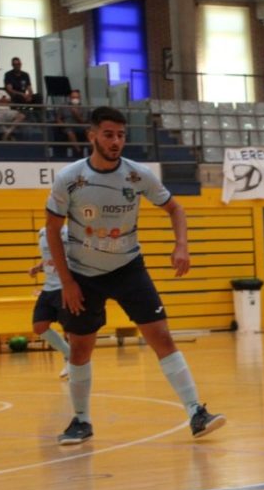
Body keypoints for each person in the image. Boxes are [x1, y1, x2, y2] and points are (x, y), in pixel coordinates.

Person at [45, 106, 226, 445]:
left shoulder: (137, 174)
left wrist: (181, 245)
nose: (116, 141)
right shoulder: (69, 178)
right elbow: (52, 230)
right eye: (109, 134)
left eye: (121, 135)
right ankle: (81, 420)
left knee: (162, 337)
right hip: (82, 274)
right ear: (92, 135)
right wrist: (67, 282)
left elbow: (176, 208)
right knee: (80, 350)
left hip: (128, 267)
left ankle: (195, 412)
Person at [29, 226, 71, 379]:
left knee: (70, 328)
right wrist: (39, 267)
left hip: (65, 286)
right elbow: (49, 255)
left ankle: (73, 362)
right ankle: (70, 355)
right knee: (39, 326)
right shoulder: (42, 232)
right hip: (48, 287)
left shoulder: (69, 232)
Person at [56, 89, 88, 156]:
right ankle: (78, 151)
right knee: (70, 131)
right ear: (70, 98)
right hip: (67, 126)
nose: (75, 99)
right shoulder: (63, 106)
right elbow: (58, 118)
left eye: (77, 97)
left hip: (79, 126)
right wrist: (62, 124)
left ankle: (93, 148)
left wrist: (76, 114)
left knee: (88, 130)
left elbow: (83, 121)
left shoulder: (83, 108)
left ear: (80, 98)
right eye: (73, 97)